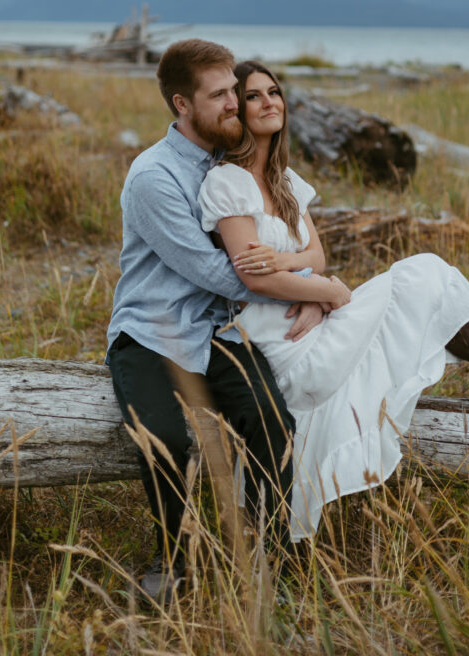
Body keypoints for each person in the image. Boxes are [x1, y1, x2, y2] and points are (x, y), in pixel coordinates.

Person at [198, 60, 469, 541]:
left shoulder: (286, 181)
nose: (270, 102)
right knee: (422, 273)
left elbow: (316, 253)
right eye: (254, 96)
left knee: (427, 272)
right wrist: (329, 290)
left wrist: (311, 284)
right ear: (236, 109)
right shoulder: (227, 182)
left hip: (313, 320)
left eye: (274, 92)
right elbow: (258, 279)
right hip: (284, 346)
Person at [106, 40, 341, 603]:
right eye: (220, 96)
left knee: (271, 422)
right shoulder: (153, 177)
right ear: (182, 104)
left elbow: (273, 246)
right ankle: (173, 559)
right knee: (161, 436)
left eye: (234, 91)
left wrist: (308, 285)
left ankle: (272, 565)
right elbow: (218, 271)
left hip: (220, 330)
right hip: (152, 332)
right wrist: (317, 289)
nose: (235, 104)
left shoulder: (225, 161)